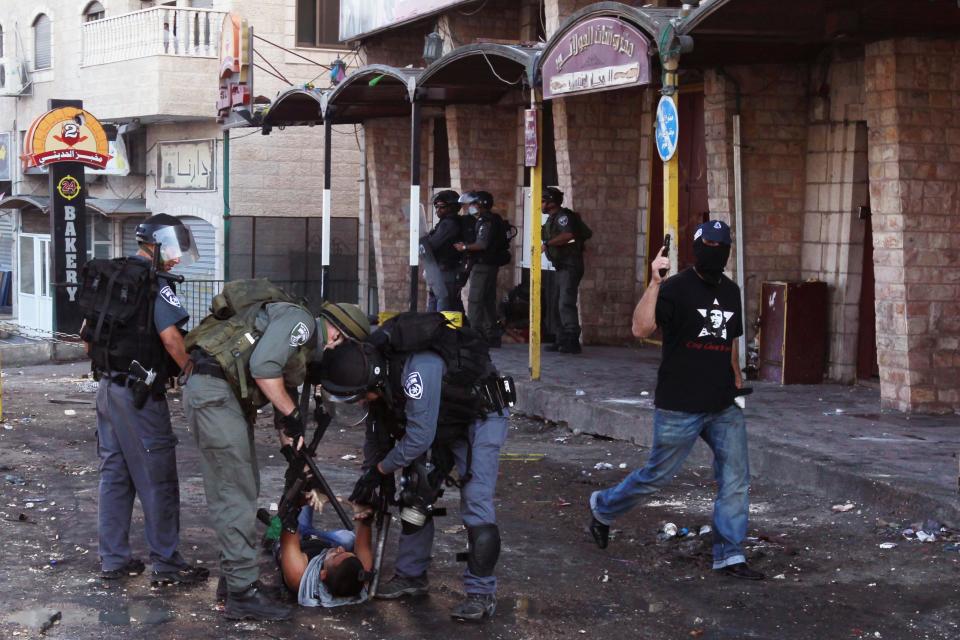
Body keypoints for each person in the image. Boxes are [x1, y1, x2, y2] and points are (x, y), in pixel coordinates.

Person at [588, 221, 764, 581]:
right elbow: (641, 329)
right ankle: (603, 508)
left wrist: (736, 377)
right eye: (708, 243)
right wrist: (654, 282)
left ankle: (730, 555)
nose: (715, 249)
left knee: (735, 478)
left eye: (721, 244)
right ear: (697, 247)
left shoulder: (731, 292)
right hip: (680, 404)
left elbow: (729, 340)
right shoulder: (675, 288)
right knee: (656, 476)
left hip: (723, 405)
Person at [183, 292, 370, 621]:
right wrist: (291, 416)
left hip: (224, 397)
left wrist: (294, 454)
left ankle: (236, 583)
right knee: (236, 494)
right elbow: (263, 369)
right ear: (337, 335)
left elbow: (286, 411)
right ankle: (242, 594)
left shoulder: (299, 352)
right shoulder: (300, 324)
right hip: (217, 394)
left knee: (244, 488)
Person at [318, 314, 512, 621]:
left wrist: (382, 469)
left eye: (360, 396)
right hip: (443, 420)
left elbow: (419, 438)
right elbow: (377, 433)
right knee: (415, 494)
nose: (358, 403)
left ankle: (480, 593)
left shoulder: (418, 369)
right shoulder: (378, 377)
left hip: (480, 416)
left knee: (476, 504)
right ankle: (411, 575)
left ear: (372, 379)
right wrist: (371, 475)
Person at [78, 213, 208, 587]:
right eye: (173, 248)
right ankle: (167, 564)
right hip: (139, 396)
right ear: (156, 244)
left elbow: (86, 338)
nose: (177, 257)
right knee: (158, 478)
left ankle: (114, 560)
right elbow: (170, 337)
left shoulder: (114, 279)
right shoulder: (153, 285)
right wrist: (188, 370)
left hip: (106, 389)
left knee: (115, 476)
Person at [275, 491, 375, 608]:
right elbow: (364, 528)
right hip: (317, 540)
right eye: (348, 553)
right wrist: (363, 512)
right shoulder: (360, 575)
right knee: (348, 539)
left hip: (295, 541)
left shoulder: (297, 575)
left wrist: (304, 498)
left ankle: (271, 532)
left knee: (296, 499)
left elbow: (288, 516)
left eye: (336, 555)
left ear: (323, 574)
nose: (340, 549)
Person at [455, 191, 509, 348]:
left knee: (475, 300)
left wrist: (464, 246)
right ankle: (491, 333)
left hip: (483, 265)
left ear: (481, 204)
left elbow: (482, 244)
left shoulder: (486, 221)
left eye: (473, 204)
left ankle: (475, 334)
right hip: (491, 264)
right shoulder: (493, 219)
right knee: (487, 300)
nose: (470, 207)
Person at [540, 187, 584, 354]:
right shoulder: (552, 218)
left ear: (551, 202)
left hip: (570, 265)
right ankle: (561, 339)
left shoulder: (563, 217)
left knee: (565, 302)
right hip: (561, 266)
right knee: (557, 303)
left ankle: (572, 339)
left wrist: (548, 244)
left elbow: (568, 235)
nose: (541, 205)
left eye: (543, 201)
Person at [421, 190, 469, 312]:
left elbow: (433, 244)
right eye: (436, 206)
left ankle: (442, 330)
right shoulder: (444, 223)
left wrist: (424, 242)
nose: (438, 210)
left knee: (444, 307)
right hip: (439, 269)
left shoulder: (449, 224)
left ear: (452, 207)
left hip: (446, 270)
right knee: (438, 302)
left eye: (441, 207)